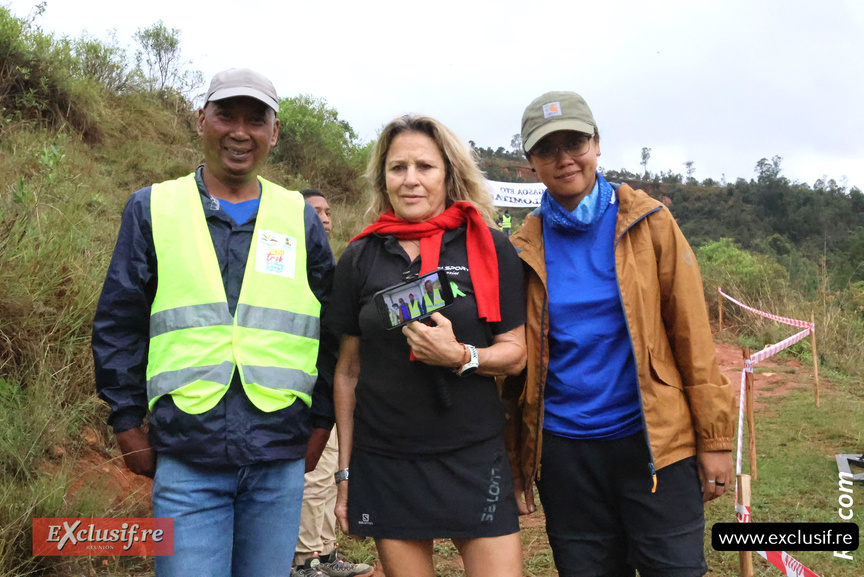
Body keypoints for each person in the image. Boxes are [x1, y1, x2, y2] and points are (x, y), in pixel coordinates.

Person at [92, 68, 337, 577]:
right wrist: (125, 420)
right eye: (226, 114)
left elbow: (329, 328)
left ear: (274, 132)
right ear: (202, 119)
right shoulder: (151, 208)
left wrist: (322, 422)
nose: (240, 131)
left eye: (256, 119)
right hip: (186, 454)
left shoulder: (300, 218)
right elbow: (120, 320)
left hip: (278, 454)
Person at [503, 91, 734, 577]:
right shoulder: (522, 247)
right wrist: (517, 459)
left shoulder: (649, 223)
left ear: (597, 145)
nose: (565, 159)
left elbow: (692, 335)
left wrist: (714, 440)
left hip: (654, 444)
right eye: (548, 149)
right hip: (566, 453)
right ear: (531, 164)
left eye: (575, 143)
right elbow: (515, 365)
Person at [327, 114, 527, 577]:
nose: (411, 180)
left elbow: (515, 352)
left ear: (448, 173)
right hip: (387, 457)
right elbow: (348, 371)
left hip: (471, 452)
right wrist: (345, 474)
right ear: (384, 178)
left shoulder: (488, 246)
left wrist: (462, 356)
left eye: (425, 166)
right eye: (398, 168)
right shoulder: (361, 256)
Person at [293, 190, 373, 577]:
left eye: (327, 211)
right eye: (314, 211)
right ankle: (305, 559)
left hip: (340, 386)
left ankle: (324, 553)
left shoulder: (335, 265)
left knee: (331, 474)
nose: (324, 218)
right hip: (311, 386)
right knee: (318, 473)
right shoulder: (293, 263)